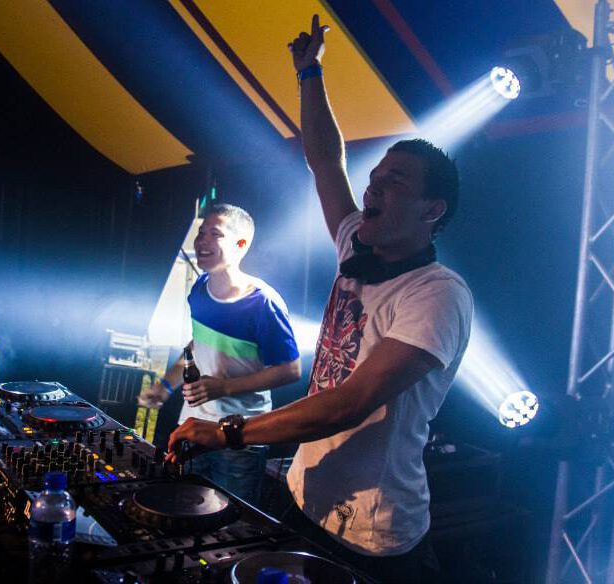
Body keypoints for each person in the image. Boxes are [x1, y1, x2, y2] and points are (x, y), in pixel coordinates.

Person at [167, 16, 473, 583]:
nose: (373, 186)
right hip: (305, 500)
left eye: (396, 181)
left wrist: (227, 431)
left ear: (432, 210)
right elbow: (326, 161)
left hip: (372, 533)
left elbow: (348, 403)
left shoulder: (437, 295)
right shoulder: (357, 243)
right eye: (376, 175)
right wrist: (310, 74)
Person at [142, 203, 301, 504]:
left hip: (240, 437)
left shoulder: (262, 302)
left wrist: (225, 387)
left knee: (231, 523)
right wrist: (165, 386)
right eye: (201, 233)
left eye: (214, 234)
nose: (202, 241)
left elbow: (290, 370)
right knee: (185, 514)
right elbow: (197, 344)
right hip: (191, 429)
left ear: (241, 245)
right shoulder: (200, 288)